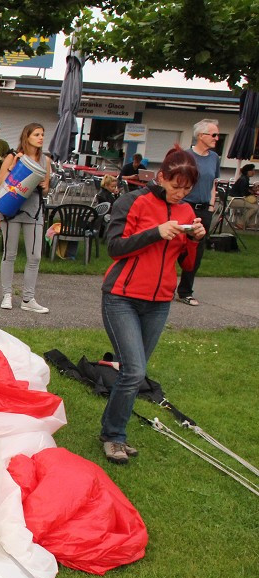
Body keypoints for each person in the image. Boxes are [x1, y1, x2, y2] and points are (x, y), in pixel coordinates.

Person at [99, 146, 205, 464]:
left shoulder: (186, 211)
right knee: (134, 370)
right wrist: (155, 233)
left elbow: (188, 265)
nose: (180, 193)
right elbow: (114, 247)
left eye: (187, 189)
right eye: (176, 186)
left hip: (159, 302)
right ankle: (113, 436)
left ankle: (114, 432)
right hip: (121, 297)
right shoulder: (133, 201)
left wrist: (196, 240)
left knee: (135, 374)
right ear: (161, 177)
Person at [0, 122, 51, 313]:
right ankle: (7, 295)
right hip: (11, 209)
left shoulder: (45, 160)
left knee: (34, 255)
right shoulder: (13, 156)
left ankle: (28, 298)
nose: (41, 137)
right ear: (26, 136)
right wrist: (13, 167)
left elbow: (46, 189)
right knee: (9, 254)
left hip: (34, 210)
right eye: (36, 134)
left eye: (42, 134)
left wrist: (44, 187)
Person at [175, 119, 219, 307]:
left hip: (203, 210)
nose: (217, 138)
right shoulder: (185, 156)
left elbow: (213, 184)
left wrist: (211, 206)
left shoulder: (214, 158)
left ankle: (185, 291)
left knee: (196, 252)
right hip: (184, 207)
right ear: (201, 136)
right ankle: (166, 286)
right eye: (214, 135)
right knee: (175, 246)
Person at [227, 163, 257, 230]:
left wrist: (251, 190)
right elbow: (243, 193)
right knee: (255, 207)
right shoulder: (244, 180)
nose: (254, 172)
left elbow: (244, 189)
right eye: (252, 170)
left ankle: (251, 224)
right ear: (248, 171)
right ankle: (240, 223)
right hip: (234, 200)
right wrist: (252, 192)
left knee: (255, 204)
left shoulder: (244, 178)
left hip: (234, 198)